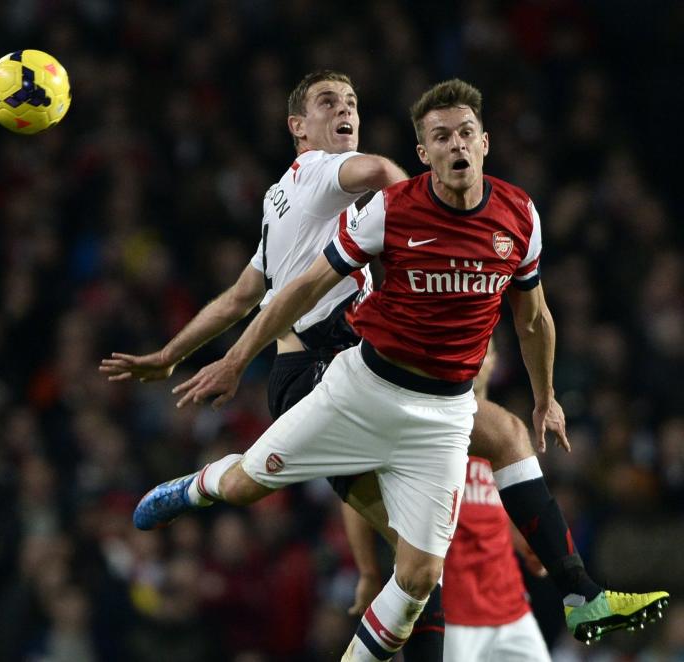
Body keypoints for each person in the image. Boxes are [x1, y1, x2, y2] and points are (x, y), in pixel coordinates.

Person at [107, 76, 668, 659]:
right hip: (355, 385)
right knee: (252, 485)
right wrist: (234, 359)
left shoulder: (518, 215)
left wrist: (546, 395)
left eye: (466, 134)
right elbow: (307, 273)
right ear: (423, 152)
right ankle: (196, 487)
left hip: (440, 416)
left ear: (485, 142)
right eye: (441, 137)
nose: (456, 145)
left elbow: (535, 319)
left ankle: (581, 594)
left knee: (424, 574)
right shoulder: (364, 193)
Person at [347, 343, 553, 662]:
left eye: (485, 350)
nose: (478, 358)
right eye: (471, 348)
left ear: (494, 363)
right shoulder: (424, 424)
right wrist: (368, 571)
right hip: (450, 615)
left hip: (511, 610)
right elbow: (354, 497)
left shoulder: (505, 436)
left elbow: (503, 514)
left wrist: (533, 543)